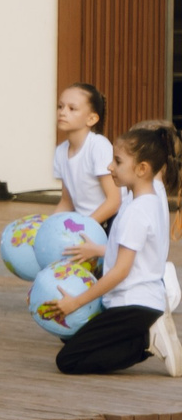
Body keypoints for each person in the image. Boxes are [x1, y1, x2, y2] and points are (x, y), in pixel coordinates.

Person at [40, 121, 182, 376]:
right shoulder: (148, 198)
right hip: (142, 300)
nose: (109, 167)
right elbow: (136, 253)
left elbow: (120, 272)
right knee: (70, 338)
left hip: (132, 305)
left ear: (142, 169)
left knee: (68, 360)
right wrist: (100, 250)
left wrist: (76, 303)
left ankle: (145, 342)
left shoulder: (136, 211)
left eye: (117, 162)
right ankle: (141, 334)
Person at [53, 84, 120, 227]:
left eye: (72, 108)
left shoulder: (98, 146)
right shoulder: (60, 151)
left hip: (110, 223)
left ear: (91, 119)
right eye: (60, 106)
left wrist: (83, 227)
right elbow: (67, 202)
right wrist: (48, 227)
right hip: (87, 222)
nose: (62, 112)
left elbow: (114, 201)